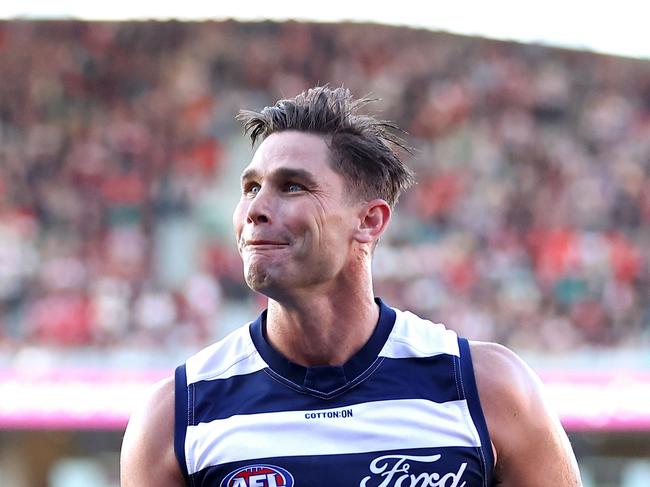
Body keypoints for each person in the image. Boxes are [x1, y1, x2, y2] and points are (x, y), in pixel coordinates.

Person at [120, 86, 582, 486]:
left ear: (369, 220)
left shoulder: (489, 389)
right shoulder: (176, 415)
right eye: (250, 188)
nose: (256, 209)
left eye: (293, 187)